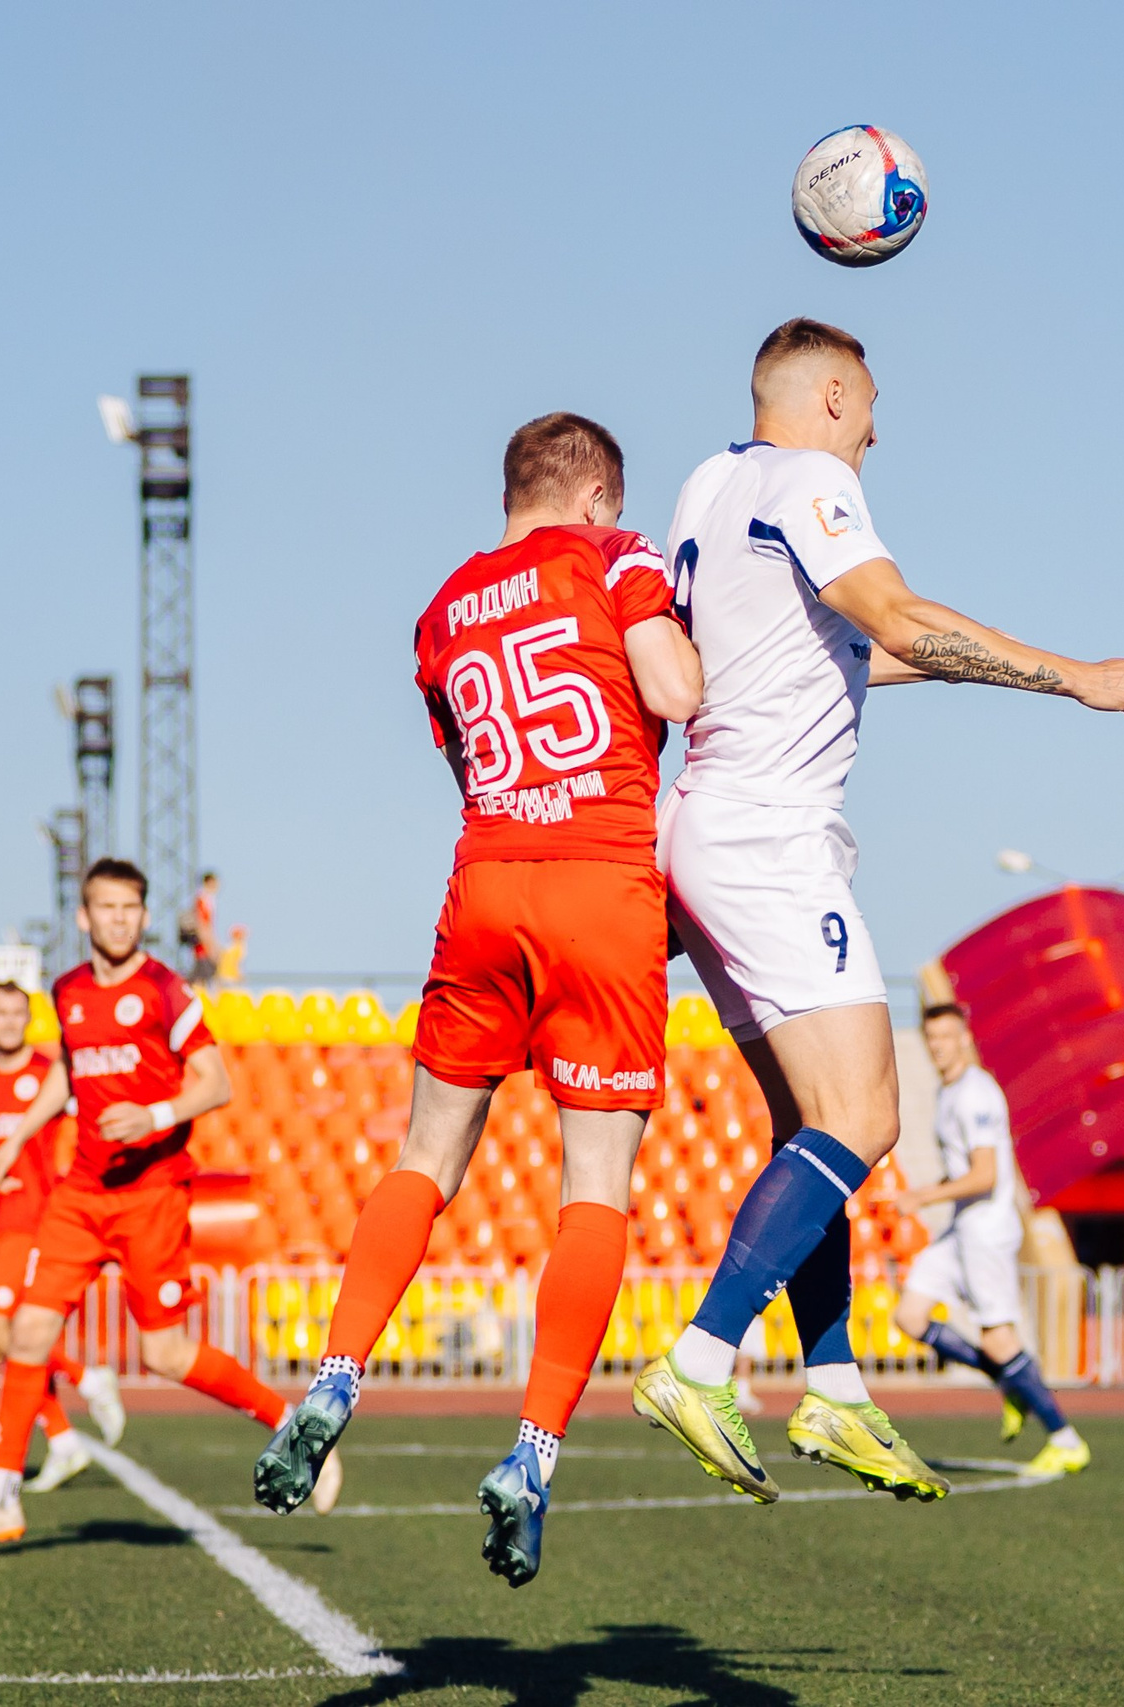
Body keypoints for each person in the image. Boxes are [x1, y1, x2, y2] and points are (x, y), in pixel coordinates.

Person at [635, 318, 1124, 1503]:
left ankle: (835, 1391)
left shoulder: (709, 486)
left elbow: (836, 653)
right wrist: (1071, 678)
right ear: (826, 398)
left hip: (706, 827)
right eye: (867, 408)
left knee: (808, 1127)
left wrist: (972, 659)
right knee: (866, 1117)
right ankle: (701, 1359)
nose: (875, 434)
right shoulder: (816, 479)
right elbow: (897, 617)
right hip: (774, 839)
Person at [252, 412, 702, 1588]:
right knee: (593, 1183)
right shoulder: (616, 558)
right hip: (601, 882)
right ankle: (533, 1454)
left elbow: (463, 761)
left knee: (425, 1156)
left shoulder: (444, 607)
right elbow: (675, 687)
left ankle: (337, 1375)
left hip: (485, 880)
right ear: (598, 496)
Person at [0, 858, 337, 1550]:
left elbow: (216, 1081)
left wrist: (155, 1114)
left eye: (129, 908)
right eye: (104, 908)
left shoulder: (164, 990)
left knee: (166, 1354)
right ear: (83, 917)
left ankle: (289, 1421)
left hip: (152, 1194)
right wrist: (17, 1136)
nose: (117, 919)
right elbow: (66, 1069)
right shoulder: (68, 991)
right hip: (80, 1194)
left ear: (143, 917)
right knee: (24, 1334)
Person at [0, 979, 127, 1491]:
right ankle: (62, 1439)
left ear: (28, 1019)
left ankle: (86, 1381)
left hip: (31, 1220)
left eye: (18, 1013)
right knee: (7, 1342)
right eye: (2, 1013)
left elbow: (90, 1120)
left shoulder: (46, 1074)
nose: (10, 1021)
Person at [888, 1003, 1088, 1476]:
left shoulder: (976, 1094)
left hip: (986, 1232)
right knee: (910, 1315)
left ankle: (1065, 1437)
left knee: (999, 1339)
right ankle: (1010, 1383)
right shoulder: (948, 1092)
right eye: (931, 1036)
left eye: (946, 1036)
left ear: (964, 1038)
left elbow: (984, 1175)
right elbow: (963, 1171)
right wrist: (932, 1191)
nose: (938, 1045)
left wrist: (924, 1196)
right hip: (962, 1227)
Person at [183, 872, 220, 986]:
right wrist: (211, 946)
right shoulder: (203, 901)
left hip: (203, 944)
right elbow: (203, 925)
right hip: (203, 946)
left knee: (201, 975)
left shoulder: (206, 900)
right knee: (202, 975)